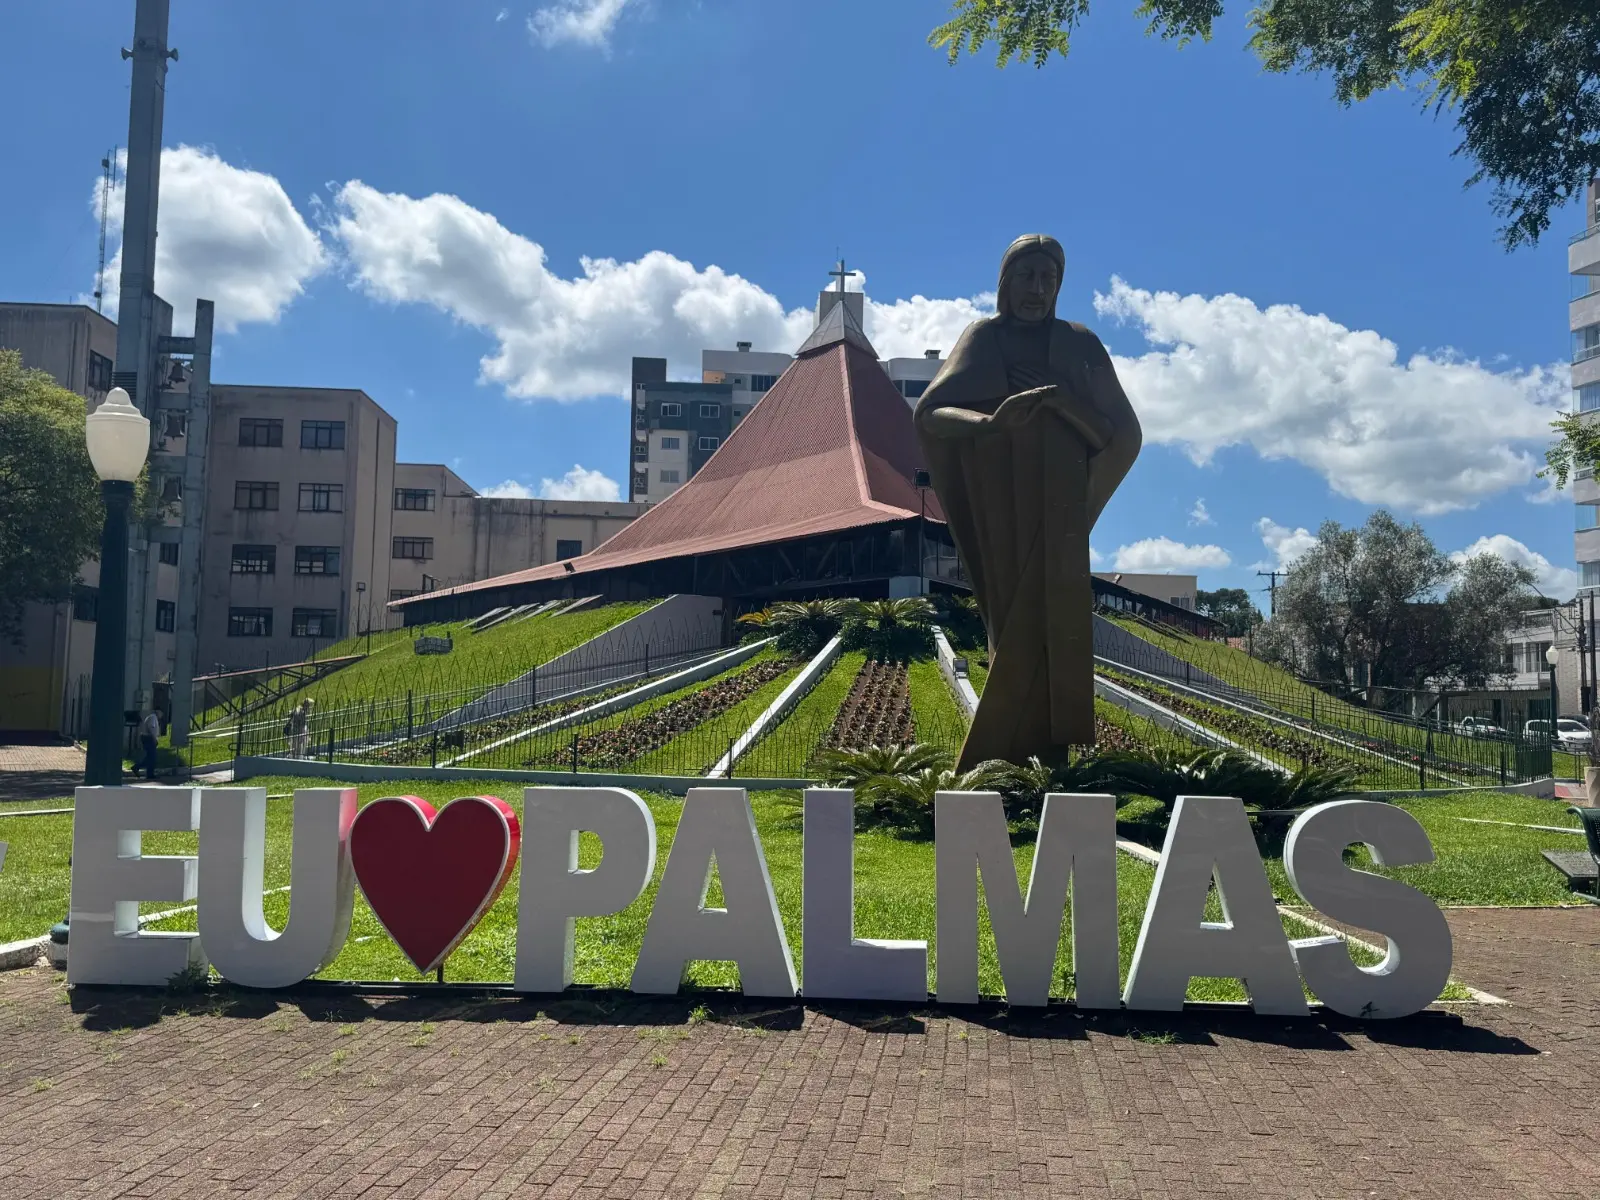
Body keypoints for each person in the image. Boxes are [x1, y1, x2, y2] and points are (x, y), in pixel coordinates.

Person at [914, 234, 1142, 769]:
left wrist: (1062, 403)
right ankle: (1007, 765)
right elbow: (931, 412)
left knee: (1051, 619)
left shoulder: (1080, 344)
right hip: (998, 506)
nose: (1037, 290)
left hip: (1059, 504)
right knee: (1011, 616)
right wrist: (992, 420)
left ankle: (1042, 758)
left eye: (1049, 278)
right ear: (1005, 283)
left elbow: (1120, 434)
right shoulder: (984, 338)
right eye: (1027, 277)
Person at [137, 708, 162, 781]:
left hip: (147, 738)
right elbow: (151, 728)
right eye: (161, 713)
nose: (161, 715)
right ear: (158, 711)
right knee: (152, 757)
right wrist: (154, 739)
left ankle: (137, 768)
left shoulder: (152, 717)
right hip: (148, 738)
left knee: (150, 757)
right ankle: (149, 774)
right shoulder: (153, 717)